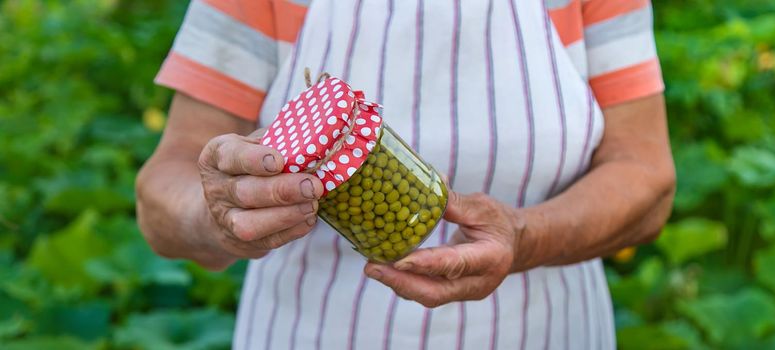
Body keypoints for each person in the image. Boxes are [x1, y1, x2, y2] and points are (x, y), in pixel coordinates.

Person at [136, 0, 675, 349]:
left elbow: (646, 175)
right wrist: (220, 212)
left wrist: (527, 237)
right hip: (311, 334)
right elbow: (164, 189)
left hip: (550, 332)